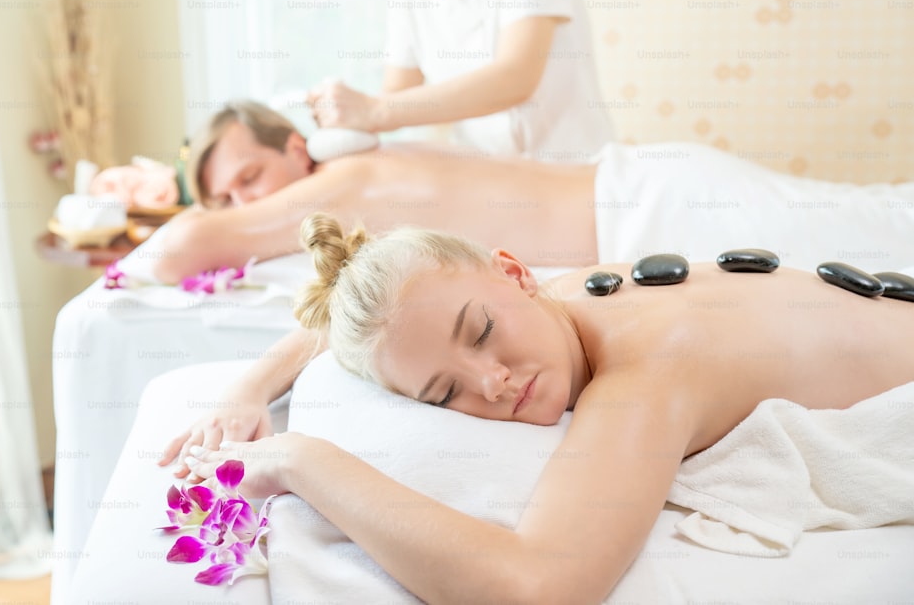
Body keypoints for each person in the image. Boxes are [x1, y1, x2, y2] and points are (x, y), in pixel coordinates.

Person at [178, 213, 914, 603]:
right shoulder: (564, 294)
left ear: (515, 271)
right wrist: (250, 387)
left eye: (483, 334)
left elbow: (536, 589)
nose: (491, 382)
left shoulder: (651, 374)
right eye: (445, 393)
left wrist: (299, 458)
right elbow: (369, 310)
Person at [157, 99, 914, 285]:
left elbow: (187, 247)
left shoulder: (346, 178)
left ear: (299, 145)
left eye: (247, 181)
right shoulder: (368, 176)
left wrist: (150, 195)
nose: (242, 207)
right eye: (223, 197)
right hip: (652, 202)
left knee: (884, 233)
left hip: (657, 209)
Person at [307, 0, 615, 160]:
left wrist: (372, 111)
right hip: (489, 176)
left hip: (571, 167)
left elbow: (515, 78)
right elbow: (397, 93)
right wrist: (344, 112)